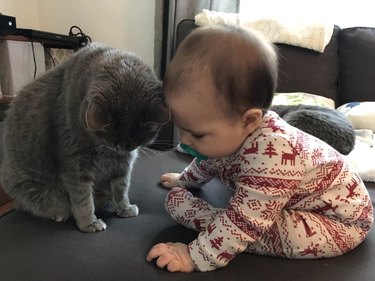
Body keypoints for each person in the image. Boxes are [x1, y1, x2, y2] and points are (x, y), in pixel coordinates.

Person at [146, 24, 373, 272]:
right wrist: (185, 181)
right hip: (286, 202)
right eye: (182, 128)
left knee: (259, 228)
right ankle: (211, 217)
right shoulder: (232, 132)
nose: (185, 141)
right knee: (191, 188)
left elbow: (245, 223)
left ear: (249, 121)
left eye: (196, 134)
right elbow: (210, 158)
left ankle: (210, 221)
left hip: (338, 224)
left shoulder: (272, 157)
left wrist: (194, 255)